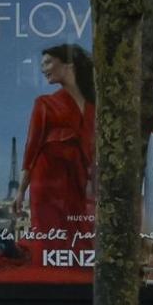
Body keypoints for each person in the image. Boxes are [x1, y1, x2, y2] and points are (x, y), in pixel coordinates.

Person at [12, 44, 96, 257]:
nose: (43, 69)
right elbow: (31, 149)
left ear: (69, 64)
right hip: (47, 182)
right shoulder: (45, 104)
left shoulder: (93, 107)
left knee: (77, 241)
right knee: (50, 240)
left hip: (77, 182)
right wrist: (21, 191)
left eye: (48, 62)